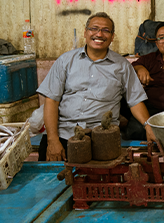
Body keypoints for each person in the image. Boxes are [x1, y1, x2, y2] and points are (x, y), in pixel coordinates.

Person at [37, 12, 155, 161]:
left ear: (112, 37)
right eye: (94, 28)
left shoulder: (122, 66)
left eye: (106, 30)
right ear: (85, 33)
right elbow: (51, 101)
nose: (99, 34)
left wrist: (149, 126)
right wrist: (52, 140)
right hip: (63, 134)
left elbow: (135, 101)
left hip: (102, 138)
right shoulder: (65, 61)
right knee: (49, 181)